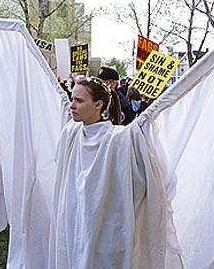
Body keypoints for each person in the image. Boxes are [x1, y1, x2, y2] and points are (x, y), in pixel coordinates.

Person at [49, 76, 171, 268]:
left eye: (79, 100)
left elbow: (144, 175)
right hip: (76, 221)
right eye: (72, 99)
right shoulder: (71, 133)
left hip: (108, 225)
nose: (72, 105)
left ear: (98, 105)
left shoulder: (118, 139)